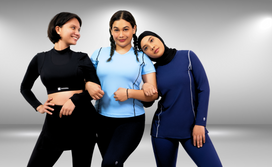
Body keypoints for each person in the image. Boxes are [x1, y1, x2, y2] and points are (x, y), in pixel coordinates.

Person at [20, 12, 103, 167]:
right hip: (55, 120)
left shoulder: (82, 58)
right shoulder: (40, 59)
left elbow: (96, 90)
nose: (77, 33)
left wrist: (75, 100)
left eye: (79, 29)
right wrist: (38, 106)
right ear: (58, 29)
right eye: (73, 27)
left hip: (83, 118)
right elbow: (25, 88)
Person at [138, 31, 223, 167]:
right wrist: (145, 86)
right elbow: (147, 103)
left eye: (152, 40)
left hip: (193, 129)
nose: (151, 47)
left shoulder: (188, 56)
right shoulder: (152, 72)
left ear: (159, 38)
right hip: (163, 132)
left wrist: (201, 123)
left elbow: (204, 89)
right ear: (145, 54)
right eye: (146, 48)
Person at [85, 10, 158, 167]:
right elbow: (87, 81)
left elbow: (153, 95)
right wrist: (87, 84)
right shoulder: (98, 54)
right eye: (116, 29)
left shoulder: (143, 58)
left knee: (110, 163)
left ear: (134, 29)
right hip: (101, 120)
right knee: (112, 163)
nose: (121, 34)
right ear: (111, 31)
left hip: (131, 121)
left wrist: (129, 93)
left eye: (125, 29)